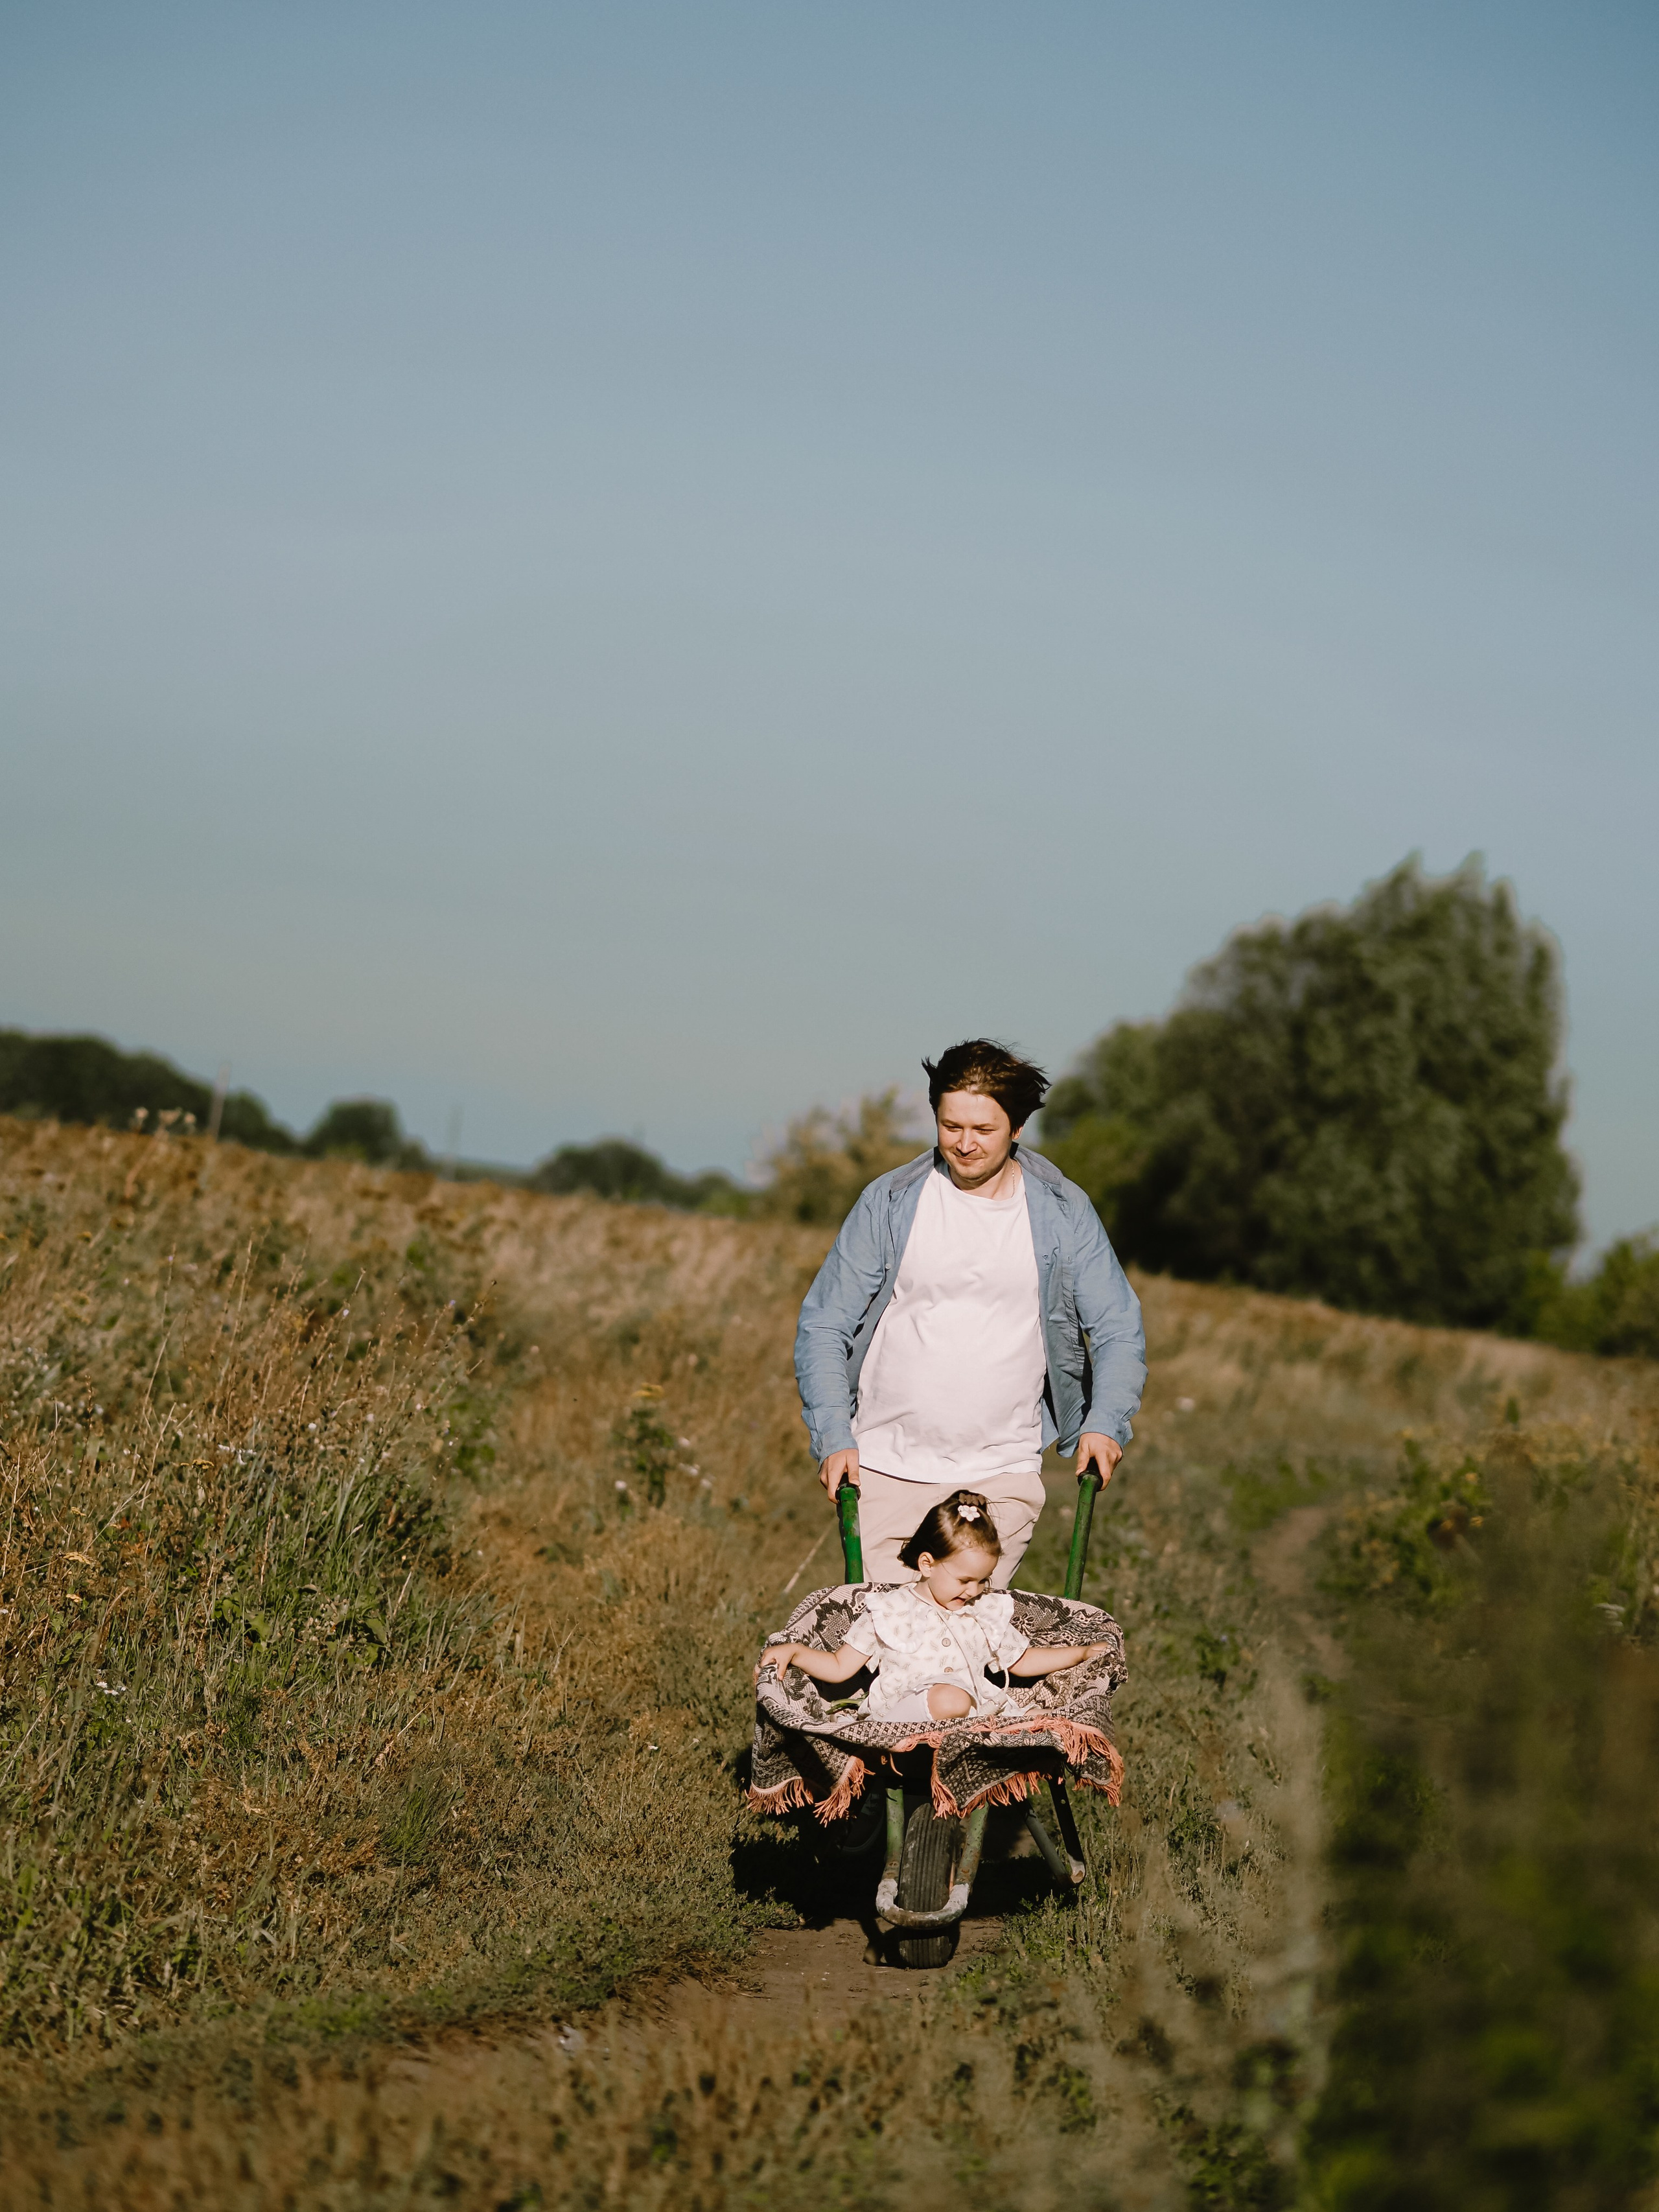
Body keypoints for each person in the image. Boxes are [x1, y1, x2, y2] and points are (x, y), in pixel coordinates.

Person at [794, 1039, 1146, 1587]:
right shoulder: (889, 1202)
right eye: (951, 1126)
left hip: (1000, 1473)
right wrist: (834, 1433)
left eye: (983, 1131)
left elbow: (1118, 1328)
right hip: (886, 1468)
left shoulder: (1062, 1210)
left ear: (1018, 1128)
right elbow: (825, 1323)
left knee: (963, 1651)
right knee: (887, 1654)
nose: (965, 1145)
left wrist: (1105, 1424)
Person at [756, 1491, 1110, 1723]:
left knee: (969, 1704)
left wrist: (1078, 1654)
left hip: (967, 1717)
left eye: (983, 1580)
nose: (974, 1591)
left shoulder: (985, 1610)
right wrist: (796, 1651)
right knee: (951, 1700)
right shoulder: (889, 1609)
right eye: (964, 1581)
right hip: (898, 1719)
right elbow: (838, 1666)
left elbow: (1023, 1660)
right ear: (927, 1564)